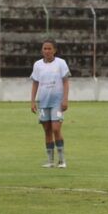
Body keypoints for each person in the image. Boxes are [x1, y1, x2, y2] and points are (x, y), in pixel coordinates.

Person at [30, 39, 71, 168]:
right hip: (43, 102)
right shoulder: (37, 65)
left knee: (56, 129)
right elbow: (35, 83)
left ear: (54, 50)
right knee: (47, 130)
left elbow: (65, 82)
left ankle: (62, 160)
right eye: (44, 48)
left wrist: (65, 99)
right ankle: (50, 161)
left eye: (49, 48)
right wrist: (32, 101)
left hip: (57, 102)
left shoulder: (61, 63)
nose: (47, 51)